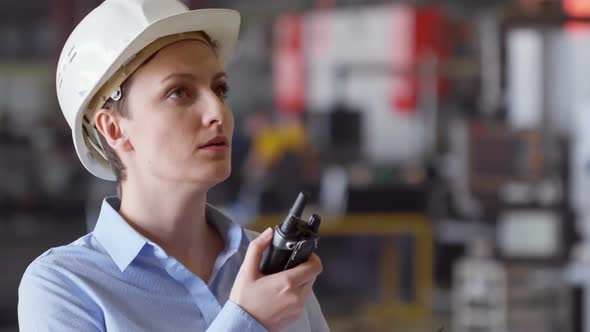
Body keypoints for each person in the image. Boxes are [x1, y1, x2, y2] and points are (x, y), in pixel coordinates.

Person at [17, 0, 328, 331]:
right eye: (179, 92)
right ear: (114, 129)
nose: (218, 112)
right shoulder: (64, 286)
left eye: (220, 90)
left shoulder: (270, 268)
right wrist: (249, 321)